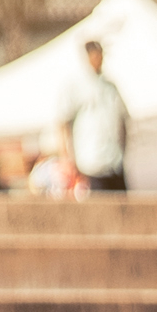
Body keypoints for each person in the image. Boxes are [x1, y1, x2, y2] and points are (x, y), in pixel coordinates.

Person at [57, 33, 134, 197]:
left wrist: (123, 150)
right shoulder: (75, 85)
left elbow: (123, 120)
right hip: (90, 162)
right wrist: (68, 159)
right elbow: (63, 123)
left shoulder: (110, 87)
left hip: (113, 161)